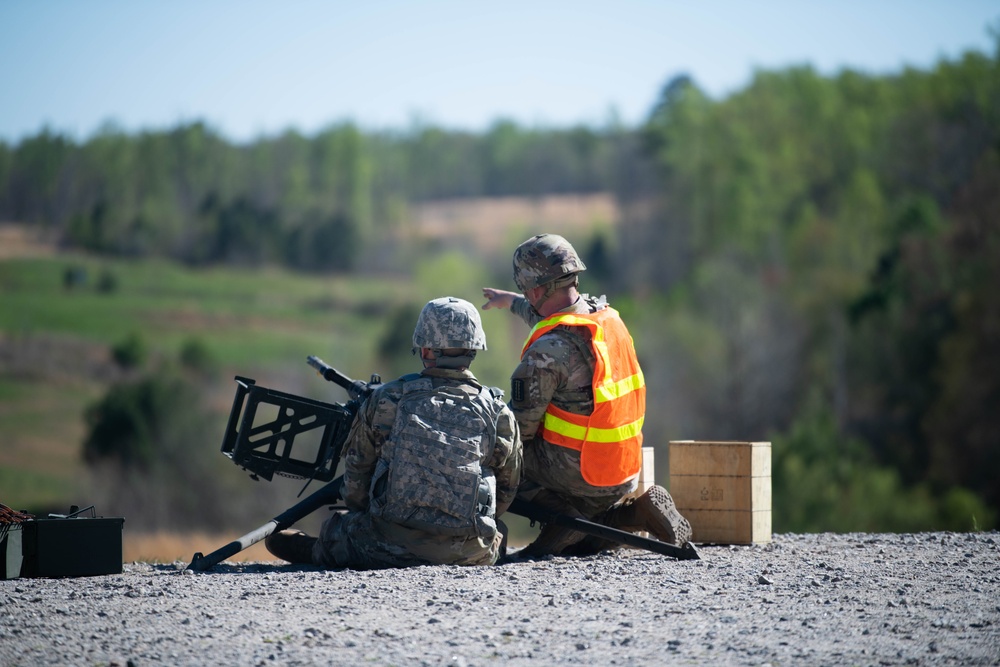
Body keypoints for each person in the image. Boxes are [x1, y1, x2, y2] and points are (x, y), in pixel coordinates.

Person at [265, 296, 522, 569]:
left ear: (424, 350)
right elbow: (507, 489)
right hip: (471, 553)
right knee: (499, 531)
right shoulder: (498, 412)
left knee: (287, 538)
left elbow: (356, 480)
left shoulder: (391, 397)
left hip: (386, 546)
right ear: (474, 349)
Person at [481, 233, 691, 557]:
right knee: (586, 542)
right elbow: (541, 312)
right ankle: (634, 512)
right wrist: (510, 301)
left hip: (578, 473)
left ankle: (563, 519)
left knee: (496, 454)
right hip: (621, 469)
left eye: (526, 290)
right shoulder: (605, 319)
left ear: (536, 289)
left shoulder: (545, 354)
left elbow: (518, 433)